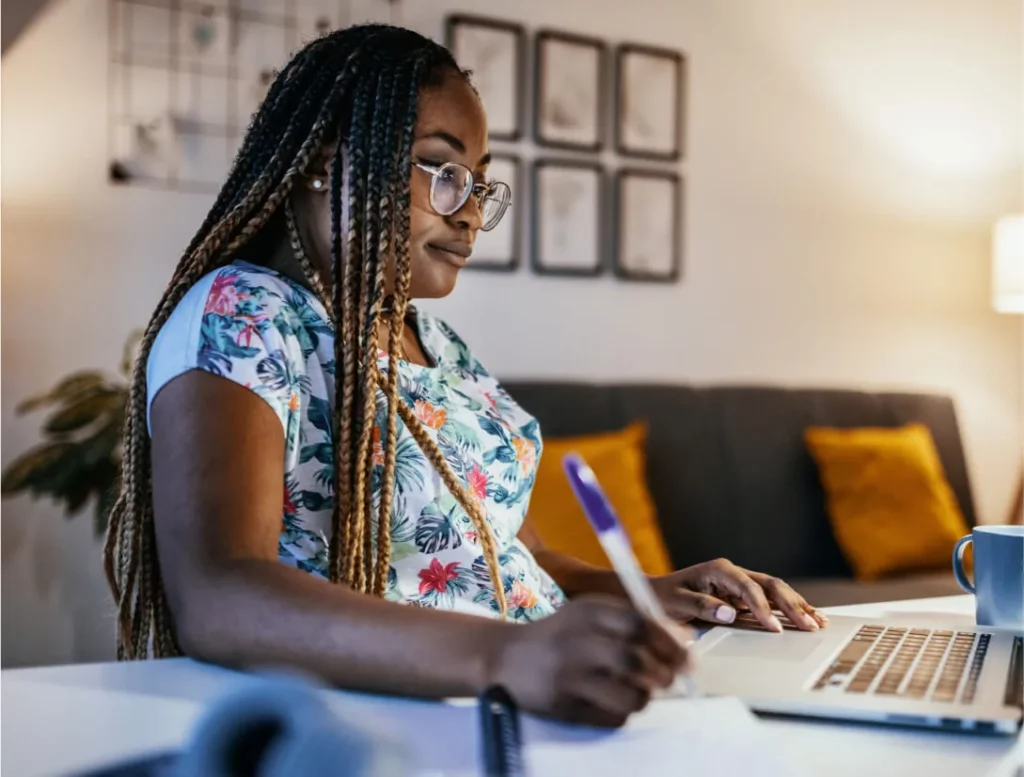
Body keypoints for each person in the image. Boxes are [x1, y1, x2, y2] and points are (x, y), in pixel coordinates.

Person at [104, 24, 826, 728]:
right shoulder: (244, 313)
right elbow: (221, 594)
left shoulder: (438, 345)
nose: (473, 212)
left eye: (481, 184)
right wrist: (507, 655)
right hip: (395, 721)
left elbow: (518, 554)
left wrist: (662, 592)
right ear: (326, 160)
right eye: (445, 173)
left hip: (515, 702)